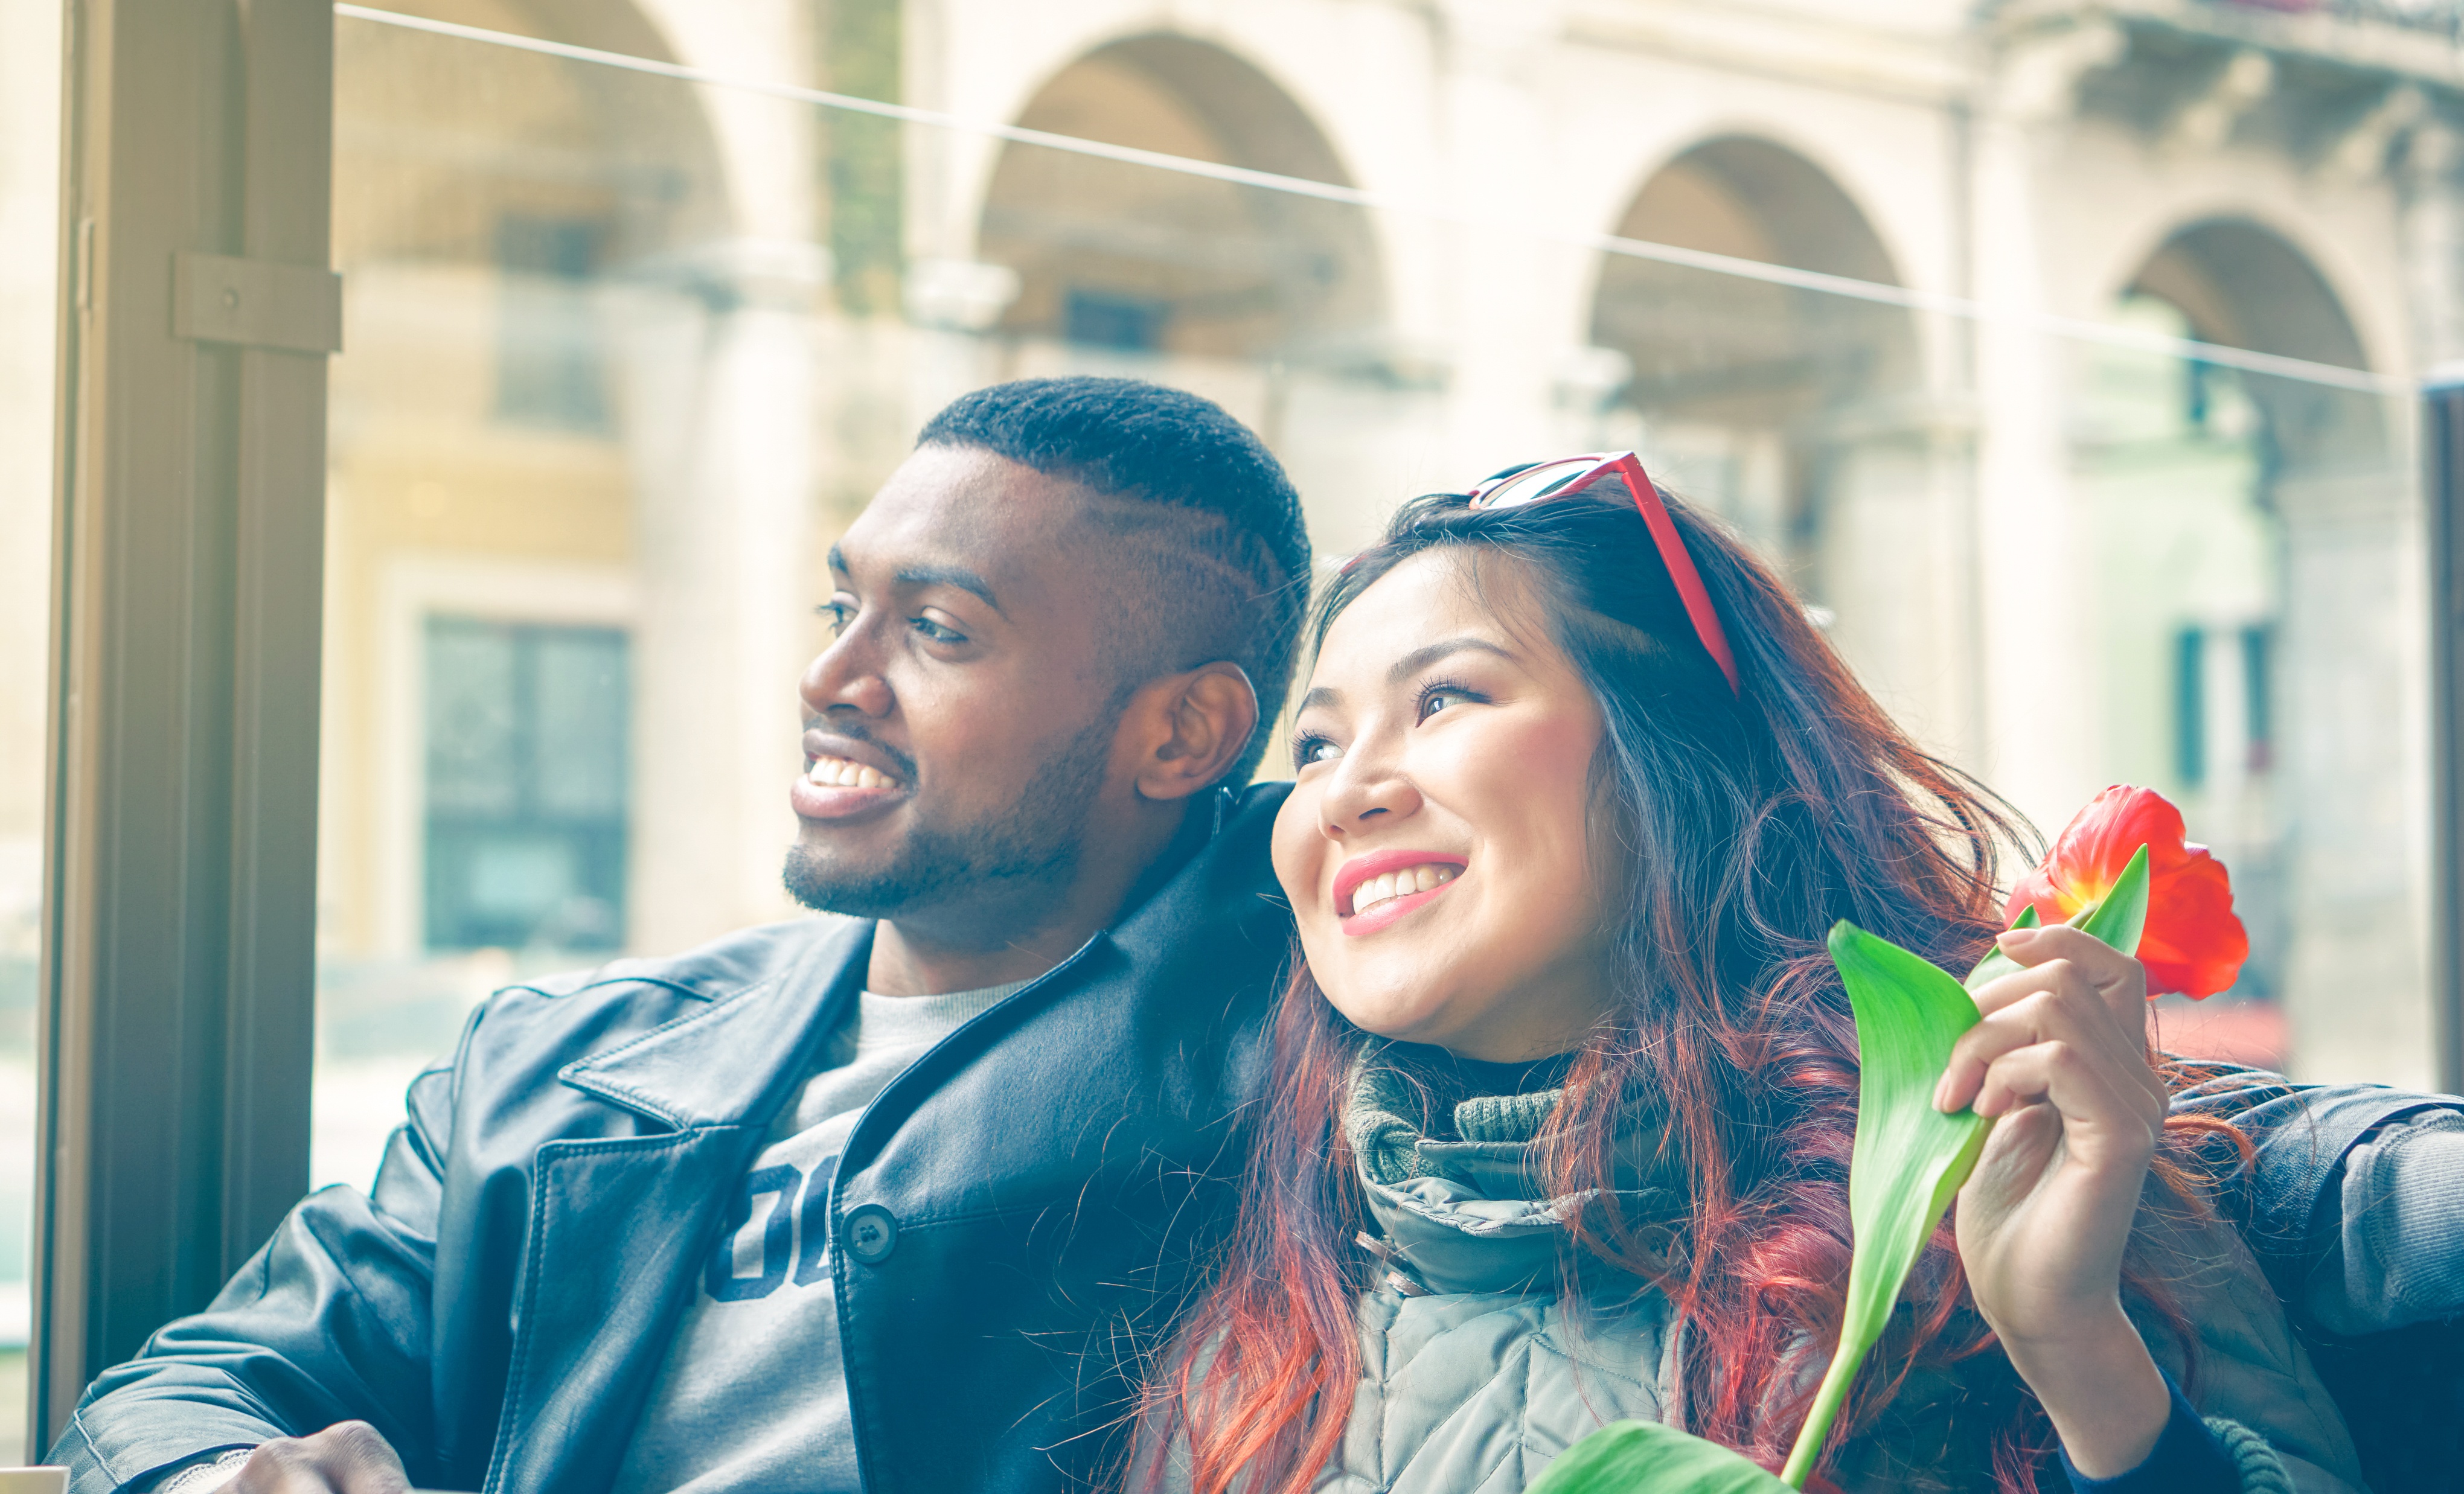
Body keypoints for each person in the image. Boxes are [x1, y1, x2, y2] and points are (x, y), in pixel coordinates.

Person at [51, 377, 1313, 1494]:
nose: (832, 677)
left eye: (938, 630)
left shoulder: (1301, 1051)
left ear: (1183, 735)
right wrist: (223, 1473)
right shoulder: (554, 1063)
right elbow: (195, 1382)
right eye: (842, 605)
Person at [1136, 459, 2370, 1493]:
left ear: (1674, 753)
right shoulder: (1248, 1344)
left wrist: (2075, 1345)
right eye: (1314, 743)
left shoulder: (2022, 1176)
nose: (1347, 787)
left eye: (1444, 696)